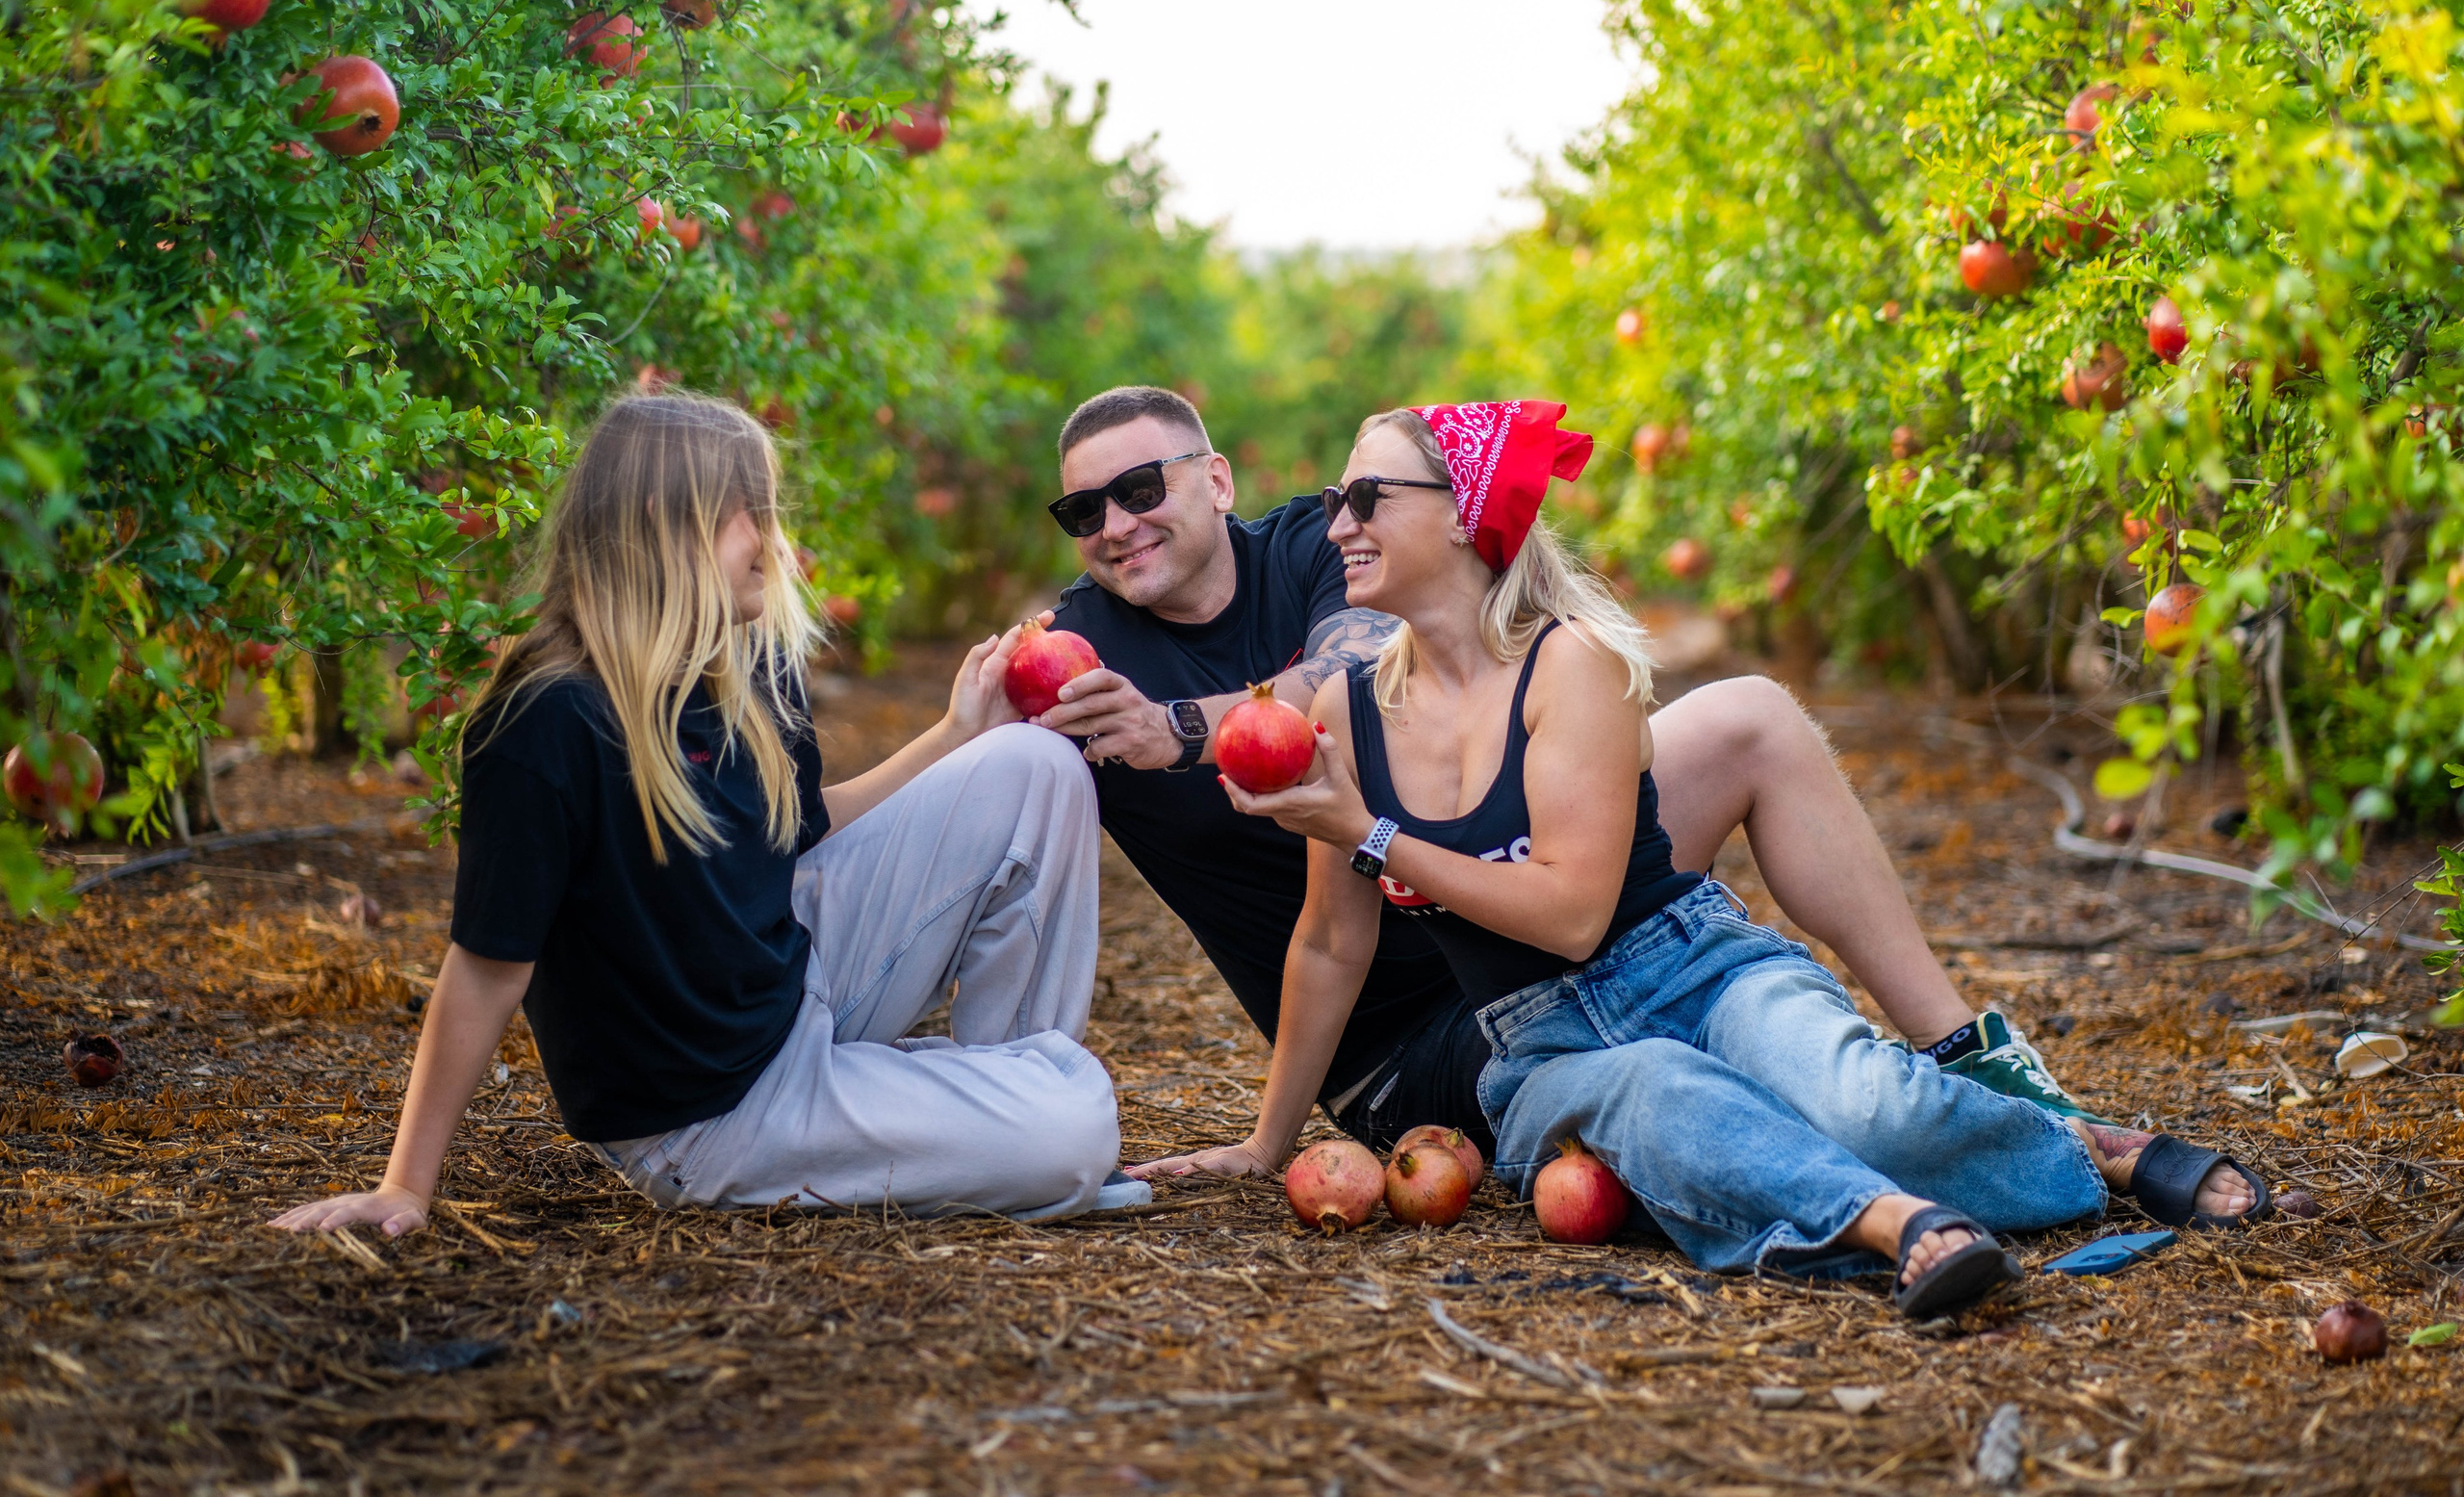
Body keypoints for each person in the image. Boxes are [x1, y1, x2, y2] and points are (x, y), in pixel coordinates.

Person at [1144, 401, 2269, 1313]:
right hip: (1534, 1047)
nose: (1335, 524)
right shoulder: (1344, 711)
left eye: (1365, 498)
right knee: (1659, 1101)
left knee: (1868, 1111)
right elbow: (1329, 944)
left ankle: (2091, 1153)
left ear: (1460, 515)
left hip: (1684, 966)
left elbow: (1573, 918)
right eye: (1333, 502)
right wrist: (1266, 1143)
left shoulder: (1569, 664)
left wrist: (1372, 834)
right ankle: (1900, 1227)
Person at [1034, 386, 2096, 1164]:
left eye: (1140, 488)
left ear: (1215, 479)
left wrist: (1180, 729)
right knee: (1701, 1083)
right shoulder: (1081, 651)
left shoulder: (1320, 549)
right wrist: (1267, 1145)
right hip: (1423, 1034)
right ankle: (1918, 1162)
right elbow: (1322, 936)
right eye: (1083, 512)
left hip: (1529, 919)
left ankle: (1966, 1050)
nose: (1115, 526)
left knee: (1753, 718)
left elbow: (1347, 663)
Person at [273, 392, 1137, 1238]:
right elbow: (485, 968)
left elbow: (801, 830)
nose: (775, 542)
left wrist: (956, 733)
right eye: (750, 513)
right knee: (1076, 1128)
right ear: (667, 521)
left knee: (1038, 764)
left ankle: (996, 1103)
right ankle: (1015, 1128)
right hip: (713, 1114)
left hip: (791, 981)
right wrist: (404, 1183)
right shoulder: (546, 720)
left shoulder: (744, 664)